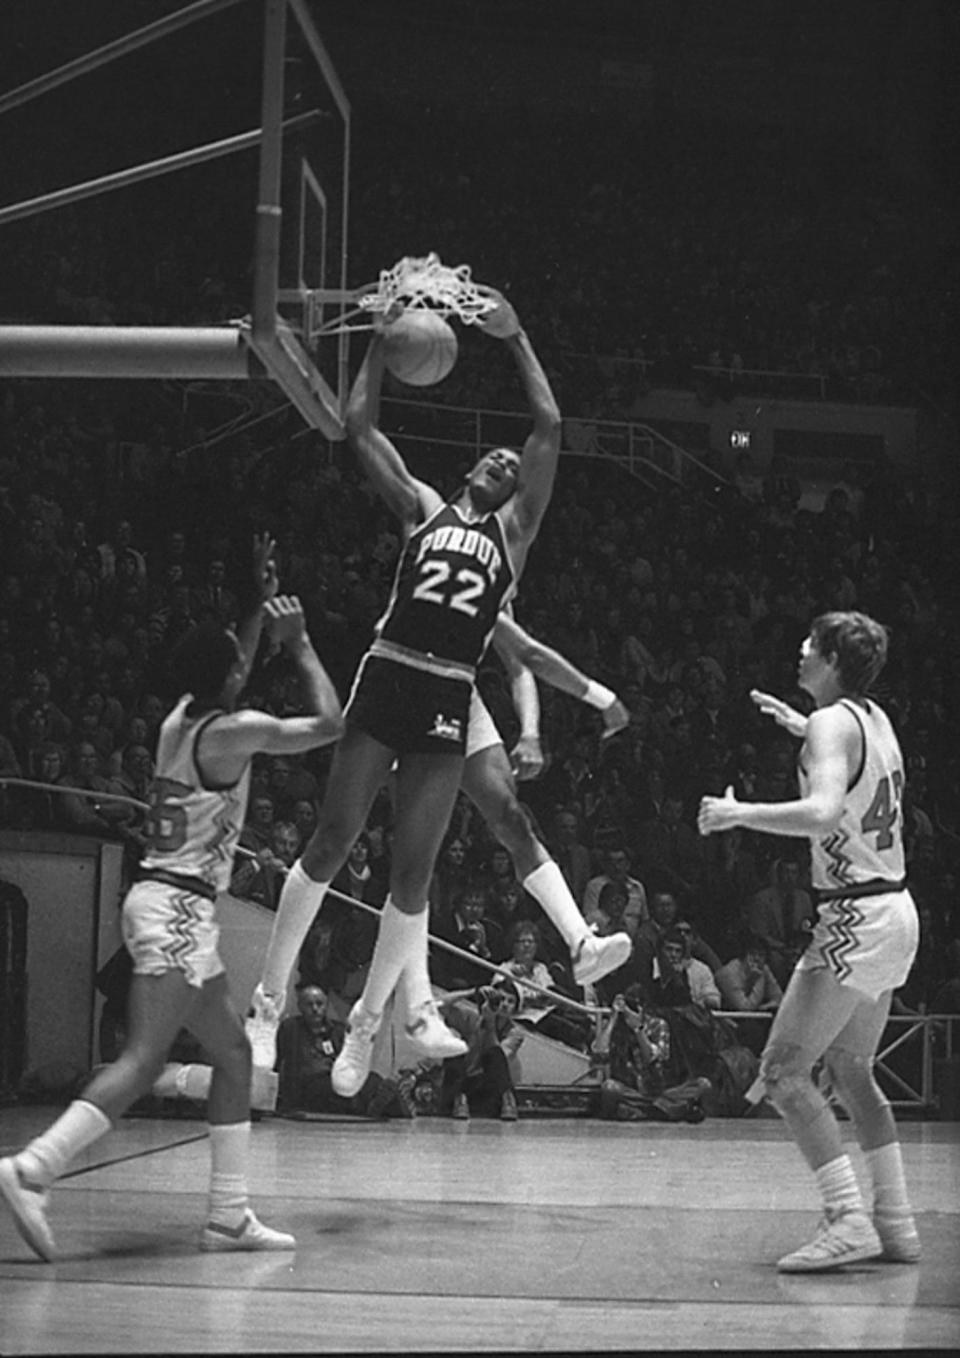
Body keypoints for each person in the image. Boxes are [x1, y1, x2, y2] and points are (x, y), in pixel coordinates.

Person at [248, 289, 626, 1094]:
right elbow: (360, 431)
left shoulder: (513, 537)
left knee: (413, 876)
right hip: (389, 672)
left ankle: (379, 1022)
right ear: (467, 470)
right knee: (332, 838)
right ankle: (266, 1000)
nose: (507, 463)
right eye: (495, 460)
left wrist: (516, 335)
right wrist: (381, 348)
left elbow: (549, 428)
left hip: (451, 692)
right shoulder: (423, 508)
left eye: (513, 467)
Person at [0, 539, 344, 1261]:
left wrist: (256, 602)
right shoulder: (233, 733)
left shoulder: (181, 720)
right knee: (143, 1057)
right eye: (237, 660)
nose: (245, 664)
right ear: (225, 678)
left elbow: (231, 664)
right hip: (176, 909)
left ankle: (228, 1216)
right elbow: (330, 725)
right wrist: (303, 644)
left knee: (231, 1060)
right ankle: (34, 1169)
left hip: (173, 904)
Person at [699, 611, 922, 1271]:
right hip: (896, 910)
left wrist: (739, 813)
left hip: (854, 917)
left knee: (782, 1073)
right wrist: (803, 727)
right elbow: (853, 779)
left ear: (830, 658)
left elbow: (825, 810)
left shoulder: (833, 725)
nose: (799, 649)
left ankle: (847, 1220)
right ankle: (897, 1223)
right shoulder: (871, 718)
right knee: (853, 1072)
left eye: (810, 644)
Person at [274, 984, 413, 1119]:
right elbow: (278, 1058)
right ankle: (377, 1106)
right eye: (309, 1004)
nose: (315, 1009)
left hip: (336, 1076)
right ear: (300, 1006)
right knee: (334, 1089)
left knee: (372, 1080)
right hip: (309, 1084)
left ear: (326, 1005)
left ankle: (393, 1101)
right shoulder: (291, 1027)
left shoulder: (337, 1029)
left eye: (319, 1004)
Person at [440, 979, 524, 1121]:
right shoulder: (472, 1018)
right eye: (501, 999)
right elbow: (439, 1005)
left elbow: (499, 1060)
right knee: (454, 1046)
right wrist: (473, 991)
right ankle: (459, 1098)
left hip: (489, 1085)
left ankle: (507, 1100)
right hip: (464, 1081)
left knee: (494, 1054)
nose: (504, 1005)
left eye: (511, 1002)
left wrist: (490, 1024)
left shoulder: (515, 1033)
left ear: (516, 1009)